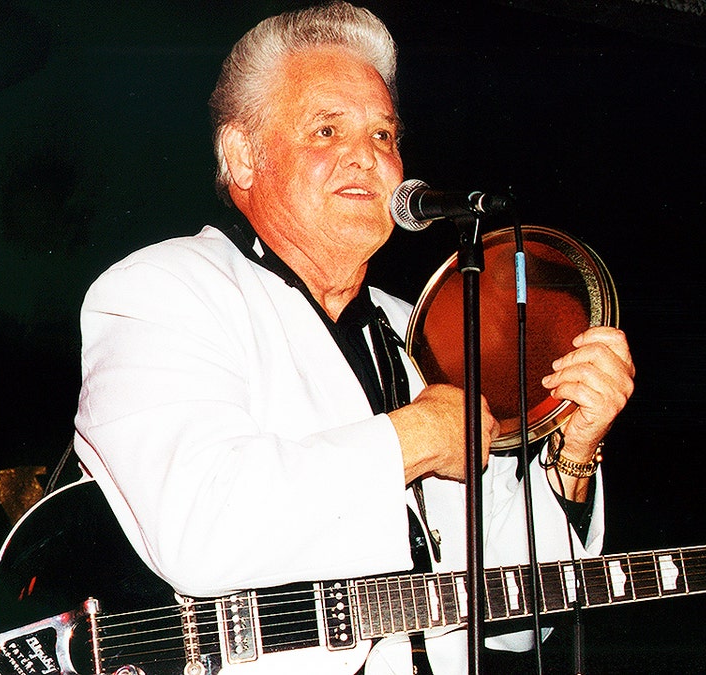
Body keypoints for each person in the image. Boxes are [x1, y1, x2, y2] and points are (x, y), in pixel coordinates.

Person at [72, 2, 634, 673]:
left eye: (383, 136)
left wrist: (574, 452)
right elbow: (200, 525)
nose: (366, 158)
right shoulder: (162, 290)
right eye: (327, 130)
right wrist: (416, 438)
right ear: (243, 157)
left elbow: (514, 622)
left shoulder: (415, 331)